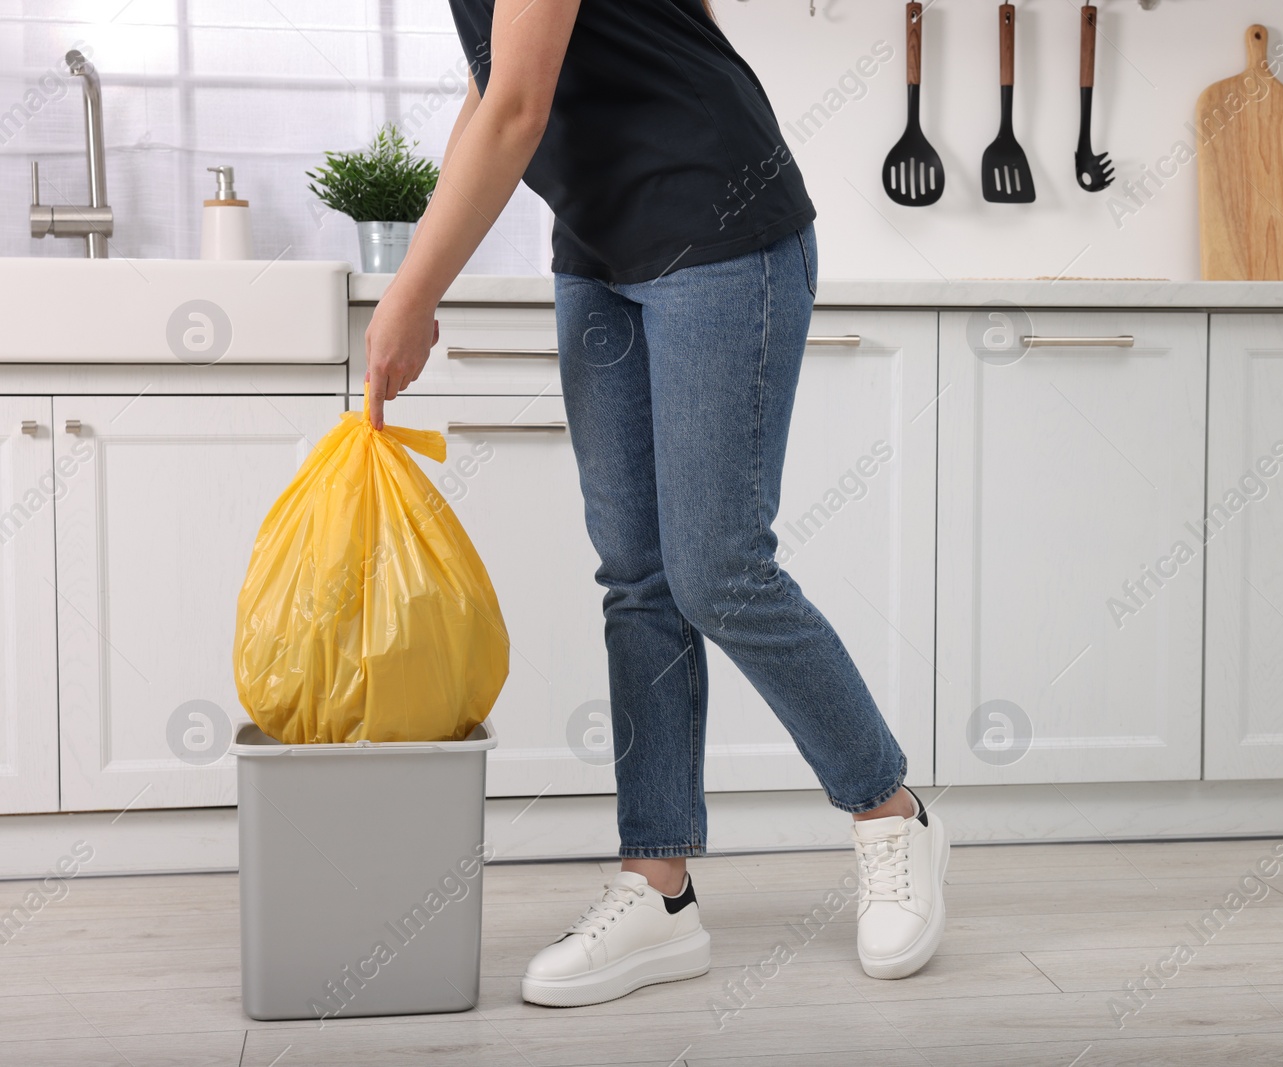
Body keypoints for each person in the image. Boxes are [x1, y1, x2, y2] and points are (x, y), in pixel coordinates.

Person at [362, 0, 948, 1007]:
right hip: (599, 248)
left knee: (718, 570)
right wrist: (418, 263)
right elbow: (491, 83)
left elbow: (517, 111)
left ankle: (890, 813)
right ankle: (658, 883)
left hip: (717, 226)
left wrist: (412, 294)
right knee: (637, 579)